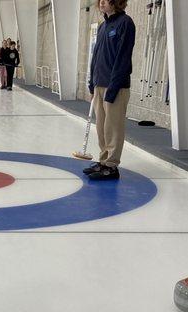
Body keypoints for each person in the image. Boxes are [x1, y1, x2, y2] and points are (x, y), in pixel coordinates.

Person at [84, 0, 135, 180]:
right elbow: (96, 56)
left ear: (116, 2)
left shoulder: (125, 23)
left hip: (115, 87)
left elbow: (123, 59)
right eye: (100, 0)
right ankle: (103, 161)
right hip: (99, 85)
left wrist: (112, 89)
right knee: (102, 128)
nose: (101, 2)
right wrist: (92, 83)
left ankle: (112, 166)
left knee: (113, 128)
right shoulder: (103, 26)